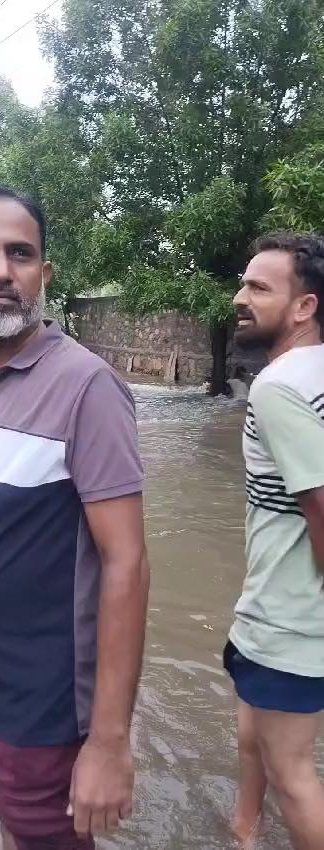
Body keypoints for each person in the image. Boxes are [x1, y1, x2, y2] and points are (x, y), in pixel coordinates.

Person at [0, 185, 149, 850]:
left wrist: (108, 742)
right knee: (14, 833)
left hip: (42, 711)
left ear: (43, 275)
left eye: (19, 253)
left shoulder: (87, 387)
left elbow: (127, 564)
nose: (0, 269)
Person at [225, 232, 324, 849]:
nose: (240, 297)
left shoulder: (278, 386)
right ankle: (244, 826)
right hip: (270, 609)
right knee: (249, 729)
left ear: (304, 306)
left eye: (259, 287)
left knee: (294, 776)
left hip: (294, 621)